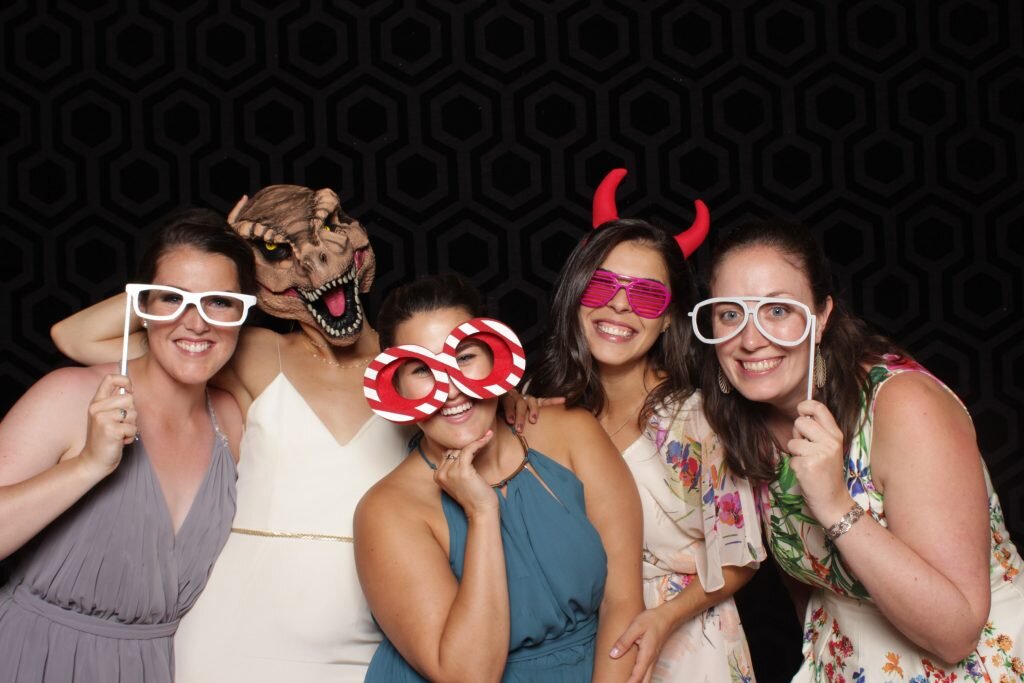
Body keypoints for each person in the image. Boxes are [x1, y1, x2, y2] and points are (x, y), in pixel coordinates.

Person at [49, 185, 410, 681]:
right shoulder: (253, 353)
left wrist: (507, 401)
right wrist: (219, 249)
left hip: (369, 640)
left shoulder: (415, 368)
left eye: (328, 229)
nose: (313, 261)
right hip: (233, 637)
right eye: (279, 252)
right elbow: (76, 337)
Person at [690, 219, 1024, 680]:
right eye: (730, 315)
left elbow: (956, 634)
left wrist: (834, 505)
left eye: (778, 310)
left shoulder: (904, 407)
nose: (750, 340)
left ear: (821, 317)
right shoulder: (743, 422)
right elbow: (807, 581)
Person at [527, 169, 765, 683]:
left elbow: (741, 555)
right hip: (576, 644)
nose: (619, 305)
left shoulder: (699, 417)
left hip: (687, 648)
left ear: (669, 318)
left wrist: (664, 617)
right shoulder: (546, 410)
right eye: (603, 284)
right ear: (577, 291)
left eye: (647, 296)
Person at [0, 209, 254, 682]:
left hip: (158, 668)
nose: (196, 323)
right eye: (172, 298)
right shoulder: (71, 394)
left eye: (219, 302)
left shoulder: (236, 423)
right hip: (33, 659)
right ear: (141, 306)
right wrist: (87, 465)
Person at [354, 273, 645, 682]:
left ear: (495, 355)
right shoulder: (387, 511)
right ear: (396, 386)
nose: (451, 390)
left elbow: (624, 603)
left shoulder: (572, 433)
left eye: (464, 357)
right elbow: (469, 676)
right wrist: (482, 513)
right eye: (422, 369)